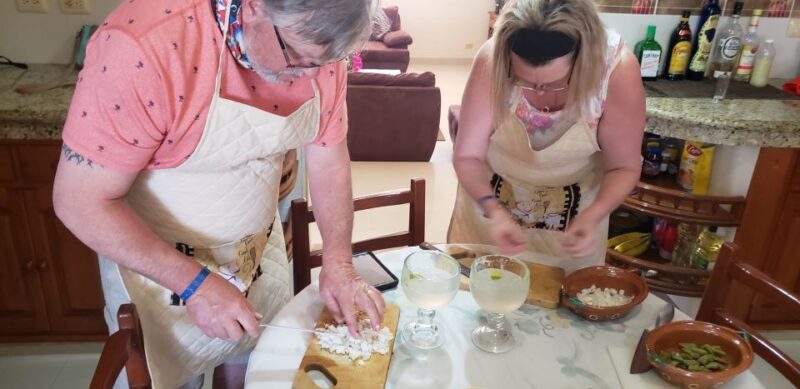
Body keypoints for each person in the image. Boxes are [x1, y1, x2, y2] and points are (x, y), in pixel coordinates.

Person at [52, 0, 384, 387]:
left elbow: (329, 162)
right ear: (255, 7)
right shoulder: (144, 45)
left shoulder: (318, 50)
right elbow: (79, 201)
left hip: (257, 260)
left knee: (255, 373)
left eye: (328, 62)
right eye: (298, 57)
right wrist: (195, 285)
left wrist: (339, 262)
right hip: (161, 279)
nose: (312, 74)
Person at [448, 0, 646, 273]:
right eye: (524, 80)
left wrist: (594, 216)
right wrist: (493, 210)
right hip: (490, 207)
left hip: (573, 219)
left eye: (554, 83)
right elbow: (467, 155)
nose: (539, 92)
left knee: (560, 292)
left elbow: (623, 167)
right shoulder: (493, 58)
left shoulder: (615, 71)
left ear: (582, 58)